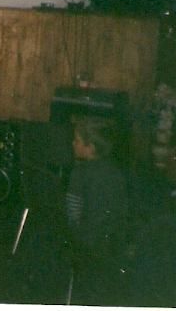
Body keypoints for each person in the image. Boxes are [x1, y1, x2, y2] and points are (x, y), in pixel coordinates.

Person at [65, 116, 129, 305]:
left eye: (77, 140)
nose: (73, 143)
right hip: (112, 247)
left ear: (90, 147)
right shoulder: (116, 172)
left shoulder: (79, 173)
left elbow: (72, 215)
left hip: (85, 246)